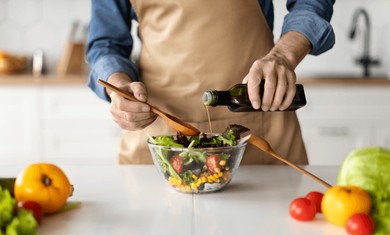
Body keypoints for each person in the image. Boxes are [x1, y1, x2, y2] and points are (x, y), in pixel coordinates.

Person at [86, 0, 335, 165]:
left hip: (261, 132)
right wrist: (119, 87)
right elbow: (106, 43)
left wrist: (283, 56)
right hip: (160, 138)